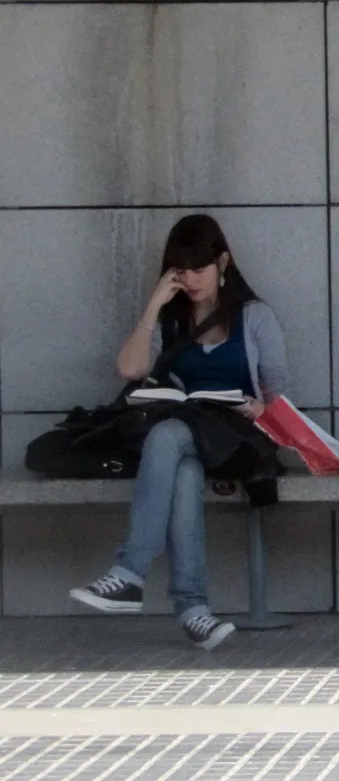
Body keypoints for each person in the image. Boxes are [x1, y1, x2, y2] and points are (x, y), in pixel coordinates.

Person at [69, 214, 290, 651]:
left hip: (239, 439)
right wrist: (154, 305)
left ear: (222, 262)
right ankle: (193, 611)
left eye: (199, 268)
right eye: (180, 270)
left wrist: (257, 408)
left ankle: (130, 573)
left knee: (168, 437)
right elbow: (130, 369)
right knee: (183, 468)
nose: (190, 279)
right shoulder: (171, 320)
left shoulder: (255, 317)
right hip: (186, 437)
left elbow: (281, 402)